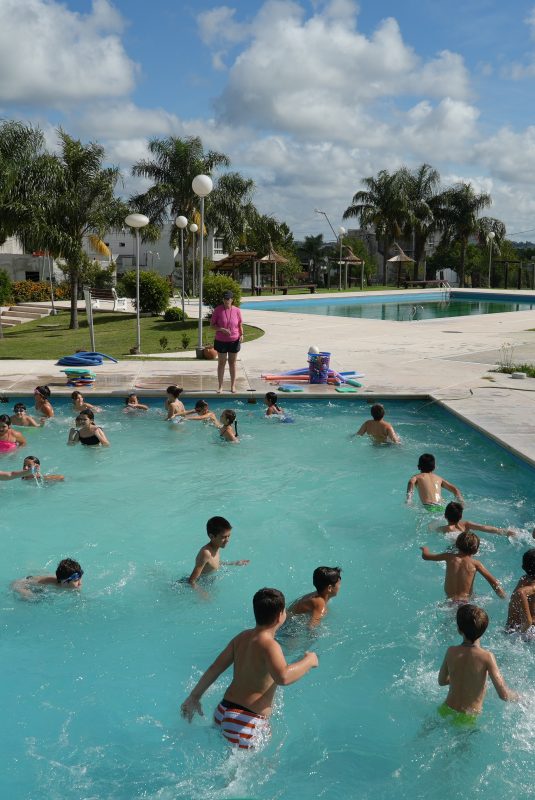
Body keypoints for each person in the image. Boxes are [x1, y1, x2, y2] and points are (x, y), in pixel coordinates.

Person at [180, 587, 318, 749]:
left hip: (223, 711)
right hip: (246, 721)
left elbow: (214, 668)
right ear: (280, 616)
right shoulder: (270, 645)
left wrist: (194, 696)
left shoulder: (242, 637)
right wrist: (309, 661)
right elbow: (283, 677)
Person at [437, 603, 518, 725]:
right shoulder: (487, 657)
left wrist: (460, 678)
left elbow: (442, 681)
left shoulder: (451, 651)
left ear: (459, 629)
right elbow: (504, 695)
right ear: (483, 630)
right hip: (467, 717)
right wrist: (522, 698)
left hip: (446, 710)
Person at [421, 531, 506, 603]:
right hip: (465, 602)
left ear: (457, 545)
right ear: (476, 550)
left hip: (450, 602)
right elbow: (494, 583)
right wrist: (504, 598)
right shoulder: (476, 563)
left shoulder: (448, 556)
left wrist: (425, 549)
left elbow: (426, 556)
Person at [188, 516, 249, 588]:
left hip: (207, 583)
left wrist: (234, 563)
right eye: (224, 537)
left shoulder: (217, 546)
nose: (227, 540)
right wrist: (203, 593)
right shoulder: (206, 553)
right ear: (212, 536)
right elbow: (191, 581)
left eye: (228, 536)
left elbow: (214, 563)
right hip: (200, 584)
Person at [210, 290, 243, 394]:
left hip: (234, 340)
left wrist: (242, 334)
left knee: (232, 363)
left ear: (232, 299)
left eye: (228, 298)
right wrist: (221, 329)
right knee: (221, 363)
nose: (226, 300)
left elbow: (240, 324)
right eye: (224, 298)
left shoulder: (237, 310)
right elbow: (212, 326)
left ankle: (233, 386)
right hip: (221, 341)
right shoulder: (218, 310)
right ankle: (220, 386)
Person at [12, 558, 83, 600]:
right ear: (64, 581)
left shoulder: (74, 585)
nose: (80, 583)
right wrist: (25, 593)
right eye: (76, 580)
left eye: (80, 578)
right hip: (28, 581)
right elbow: (16, 583)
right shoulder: (49, 582)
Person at [434, 501, 516, 538]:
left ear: (445, 516)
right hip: (472, 545)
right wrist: (504, 532)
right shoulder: (466, 524)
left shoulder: (444, 529)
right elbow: (484, 527)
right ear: (461, 516)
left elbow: (432, 531)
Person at [506, 548, 535, 633]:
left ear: (523, 567)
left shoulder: (523, 579)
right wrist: (528, 622)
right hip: (527, 632)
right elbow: (520, 592)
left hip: (511, 628)